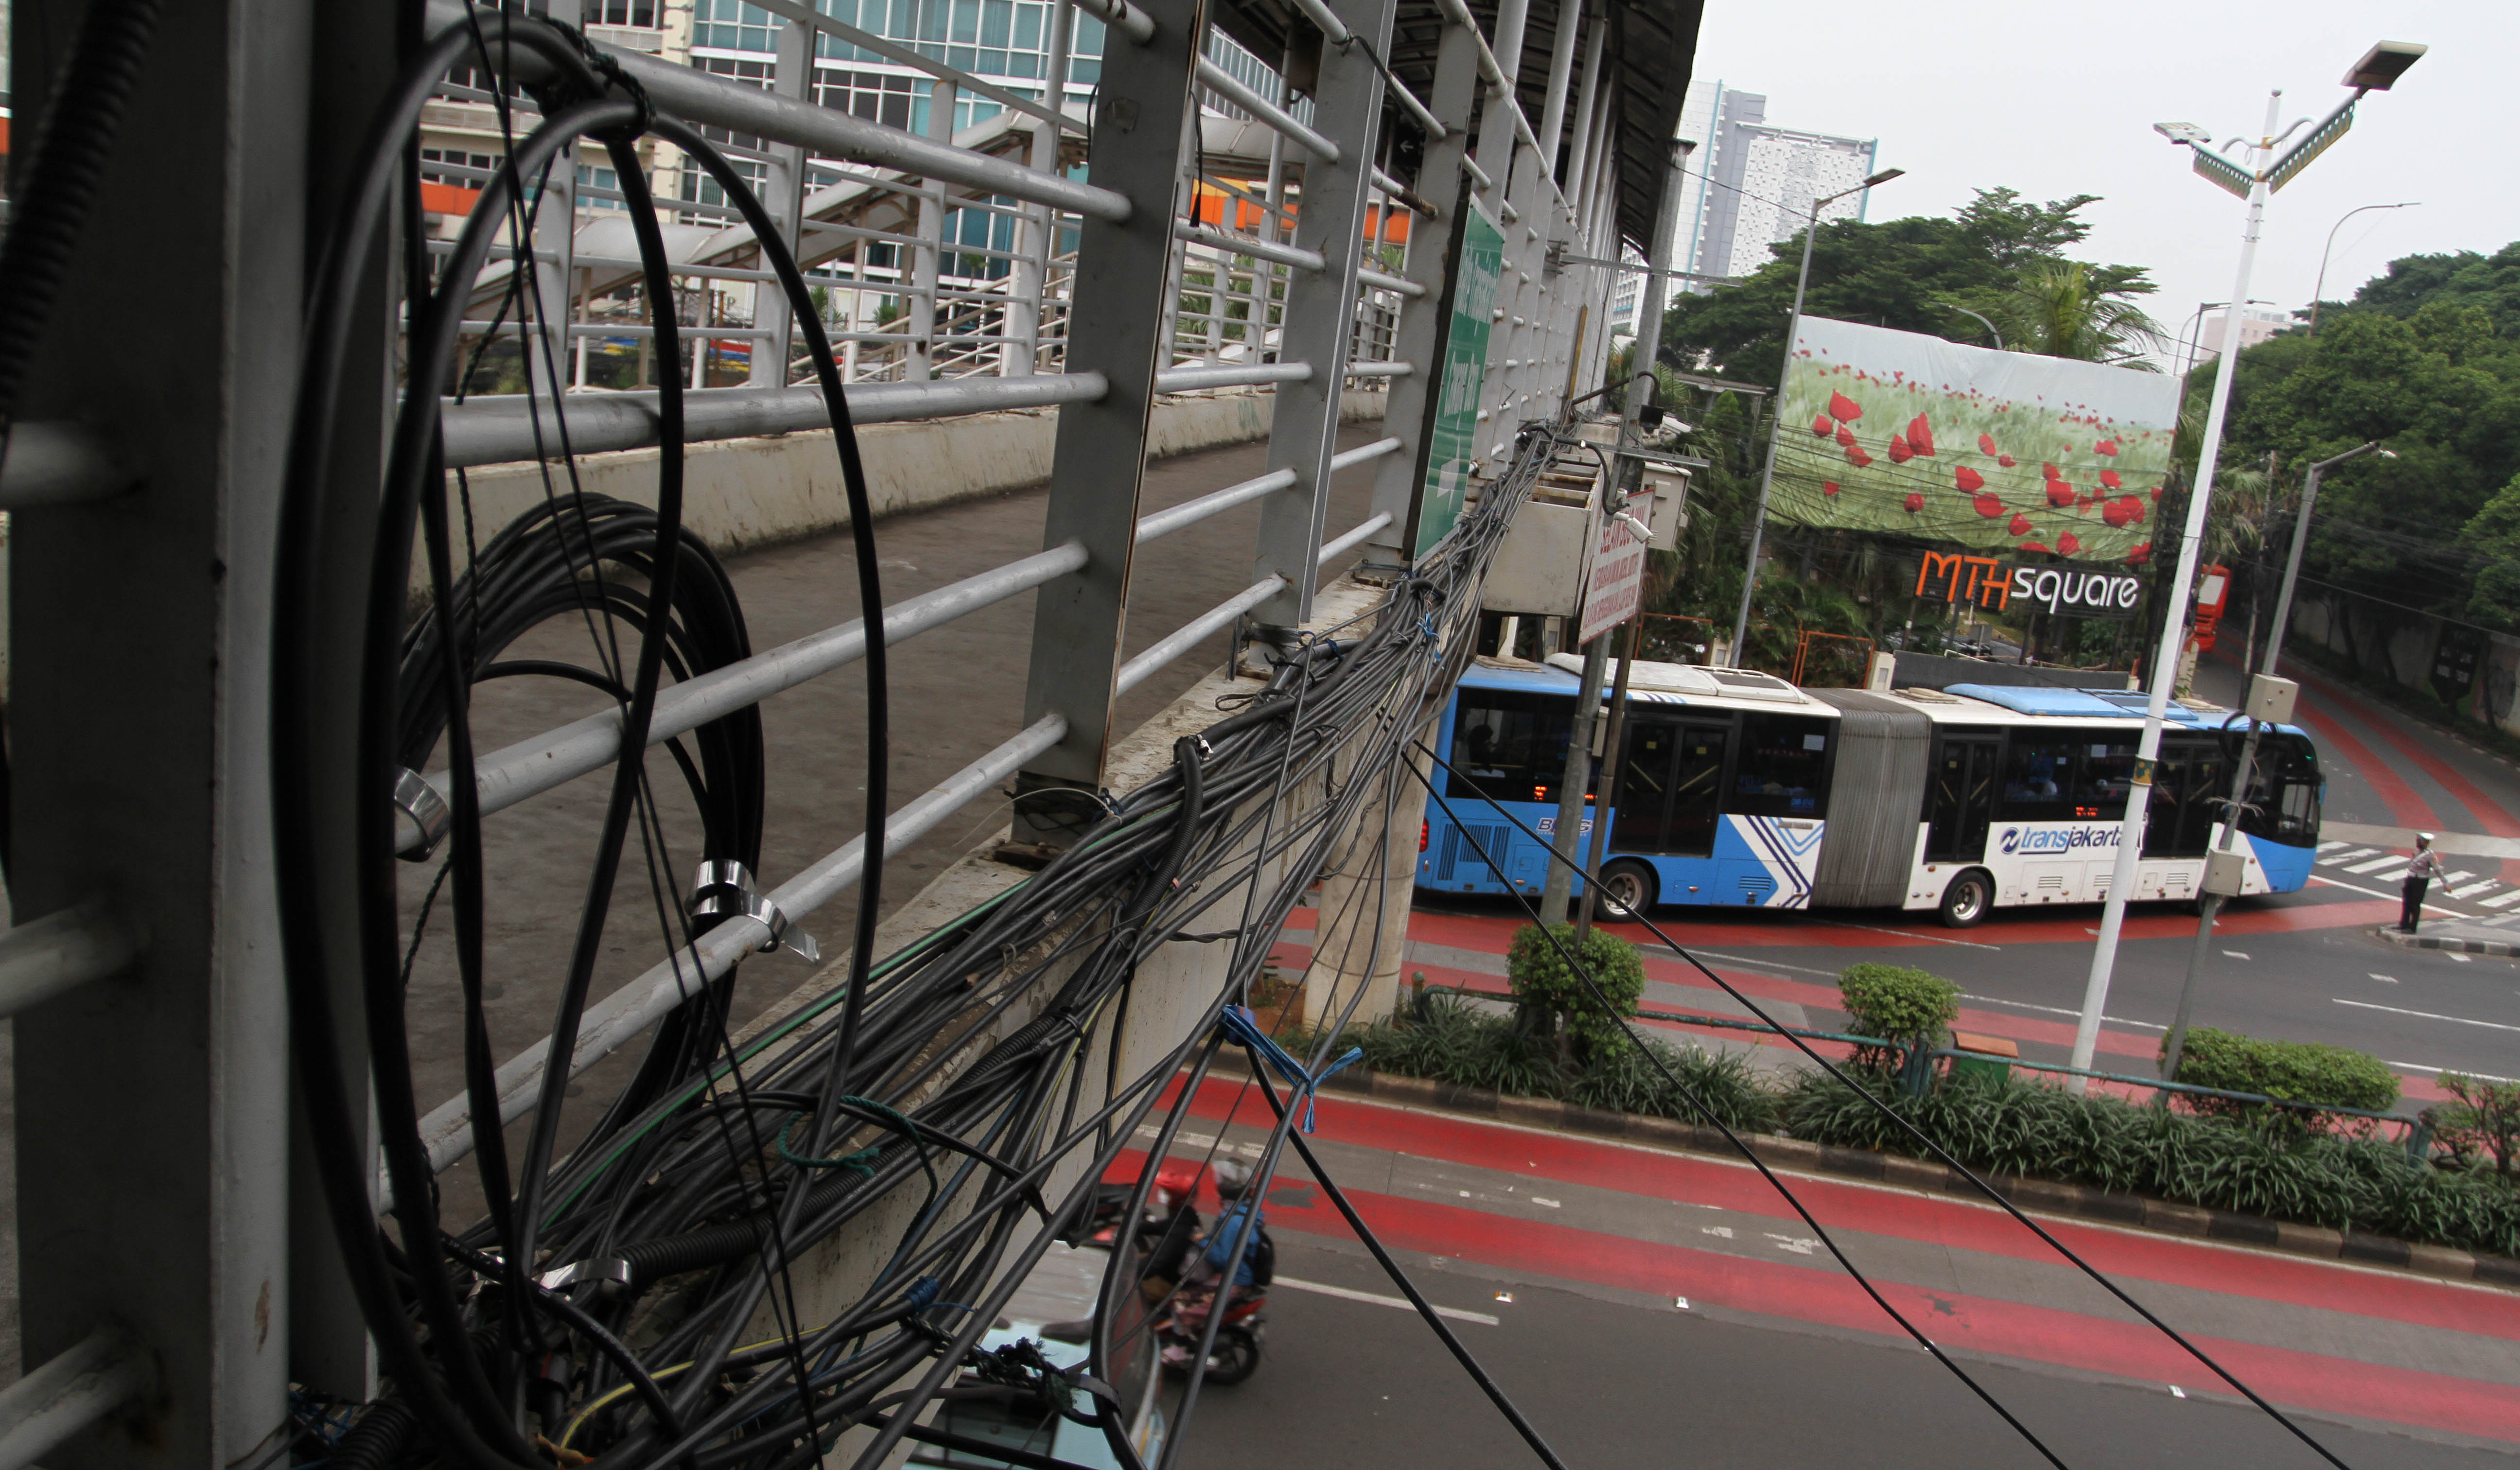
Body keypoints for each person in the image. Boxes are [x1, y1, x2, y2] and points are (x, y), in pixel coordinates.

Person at [2401, 832, 2445, 933]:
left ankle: (2413, 928)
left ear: (2425, 843)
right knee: (2407, 902)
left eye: (2419, 841)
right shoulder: (2417, 853)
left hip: (2421, 881)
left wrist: (2445, 883)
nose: (2417, 843)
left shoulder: (2430, 856)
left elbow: (2437, 870)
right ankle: (2404, 924)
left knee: (2415, 904)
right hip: (2411, 879)